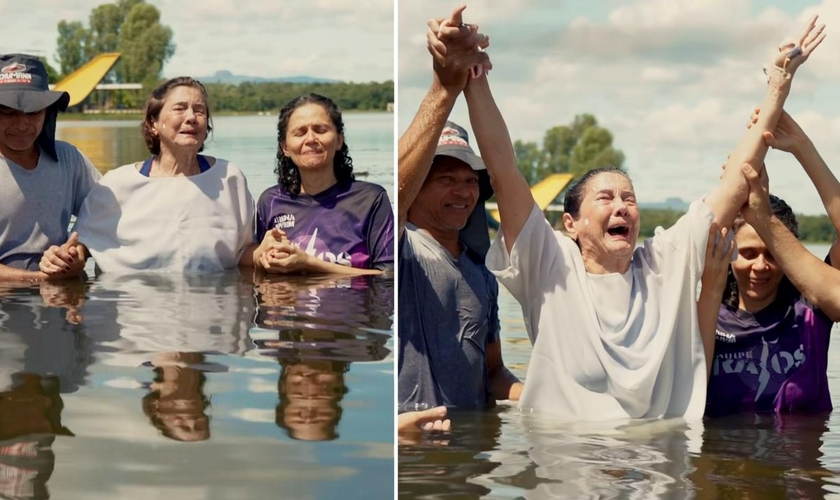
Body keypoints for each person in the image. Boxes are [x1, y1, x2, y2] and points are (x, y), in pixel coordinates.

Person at [426, 8, 825, 420]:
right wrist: (470, 74)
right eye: (605, 198)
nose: (621, 206)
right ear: (571, 224)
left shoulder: (663, 265)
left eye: (629, 198)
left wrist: (778, 87)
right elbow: (503, 168)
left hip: (657, 467)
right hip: (569, 468)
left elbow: (735, 185)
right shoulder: (549, 265)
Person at [398, 6, 521, 416]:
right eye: (446, 178)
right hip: (412, 457)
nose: (463, 191)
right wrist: (444, 86)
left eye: (470, 180)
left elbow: (494, 374)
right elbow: (397, 188)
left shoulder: (481, 270)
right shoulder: (400, 248)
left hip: (469, 463)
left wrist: (548, 393)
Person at [39, 77, 264, 274]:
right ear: (153, 123)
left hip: (214, 312)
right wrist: (64, 260)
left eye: (200, 110)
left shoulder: (229, 178)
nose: (192, 117)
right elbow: (80, 247)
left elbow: (245, 252)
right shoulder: (117, 185)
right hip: (135, 313)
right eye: (180, 108)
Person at [699, 109, 840, 417]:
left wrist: (802, 147)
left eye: (773, 254)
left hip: (800, 467)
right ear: (730, 253)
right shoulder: (706, 313)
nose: (760, 266)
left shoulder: (809, 310)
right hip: (722, 464)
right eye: (749, 253)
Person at [254, 93, 394, 276]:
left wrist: (310, 263)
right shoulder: (270, 202)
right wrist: (260, 258)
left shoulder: (370, 200)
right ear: (285, 147)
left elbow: (389, 275)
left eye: (320, 130)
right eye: (300, 132)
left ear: (339, 140)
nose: (311, 139)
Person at [0, 53, 100, 280]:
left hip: (59, 300)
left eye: (33, 112)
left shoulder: (69, 158)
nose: (22, 124)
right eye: (7, 112)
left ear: (48, 112)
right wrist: (40, 278)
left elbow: (108, 216)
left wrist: (78, 253)